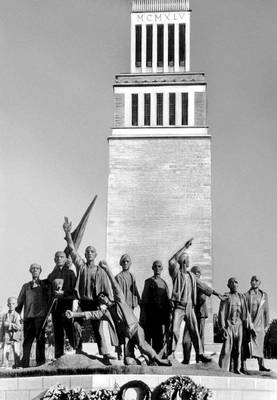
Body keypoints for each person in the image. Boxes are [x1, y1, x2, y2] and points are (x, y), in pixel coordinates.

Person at [65, 261, 171, 367]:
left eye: (103, 297)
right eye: (100, 299)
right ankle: (145, 361)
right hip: (127, 335)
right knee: (128, 361)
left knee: (143, 345)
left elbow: (115, 285)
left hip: (135, 328)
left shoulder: (120, 300)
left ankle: (159, 360)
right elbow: (90, 314)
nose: (102, 300)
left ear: (107, 297)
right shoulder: (105, 312)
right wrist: (74, 314)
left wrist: (107, 269)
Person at [63, 218, 115, 363]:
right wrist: (67, 233)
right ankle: (79, 350)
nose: (89, 253)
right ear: (85, 255)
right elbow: (72, 250)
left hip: (95, 303)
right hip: (82, 302)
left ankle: (105, 353)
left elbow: (107, 289)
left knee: (98, 329)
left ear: (96, 254)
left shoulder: (101, 271)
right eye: (87, 252)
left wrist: (107, 303)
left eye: (92, 251)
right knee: (76, 325)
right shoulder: (82, 266)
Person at [168, 241, 225, 363]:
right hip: (179, 306)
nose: (189, 262)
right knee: (174, 330)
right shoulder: (176, 274)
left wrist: (217, 294)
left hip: (189, 307)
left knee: (194, 331)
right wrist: (184, 247)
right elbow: (171, 261)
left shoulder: (191, 276)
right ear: (184, 261)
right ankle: (171, 353)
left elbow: (204, 286)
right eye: (188, 260)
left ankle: (200, 354)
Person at [218, 277, 254, 374]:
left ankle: (237, 369)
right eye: (232, 282)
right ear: (228, 285)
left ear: (238, 284)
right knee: (226, 349)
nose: (234, 284)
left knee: (238, 349)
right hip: (229, 324)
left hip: (239, 325)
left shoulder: (241, 297)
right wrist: (222, 328)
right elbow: (221, 313)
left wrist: (250, 327)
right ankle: (222, 370)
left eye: (236, 282)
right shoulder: (226, 297)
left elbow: (247, 314)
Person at [16, 264, 50, 367]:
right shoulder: (26, 286)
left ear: (40, 271)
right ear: (30, 271)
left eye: (37, 268)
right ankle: (25, 363)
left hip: (40, 317)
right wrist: (17, 317)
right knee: (27, 341)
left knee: (40, 340)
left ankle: (40, 363)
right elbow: (20, 302)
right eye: (33, 268)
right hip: (28, 317)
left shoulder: (45, 285)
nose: (35, 270)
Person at [47, 251, 76, 359]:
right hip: (55, 307)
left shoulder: (70, 273)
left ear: (65, 260)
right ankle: (58, 354)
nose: (59, 259)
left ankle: (74, 350)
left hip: (67, 305)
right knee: (57, 330)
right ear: (54, 260)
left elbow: (75, 291)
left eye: (61, 257)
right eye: (57, 257)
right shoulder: (51, 275)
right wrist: (53, 295)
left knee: (69, 327)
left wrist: (64, 293)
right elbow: (48, 292)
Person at [140, 260, 170, 354]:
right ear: (152, 268)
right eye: (155, 266)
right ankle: (148, 357)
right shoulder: (148, 281)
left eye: (159, 266)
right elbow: (144, 300)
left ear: (162, 268)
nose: (157, 268)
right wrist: (143, 316)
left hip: (160, 315)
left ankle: (158, 359)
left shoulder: (164, 283)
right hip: (150, 314)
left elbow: (167, 300)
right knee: (148, 337)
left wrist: (168, 317)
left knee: (159, 338)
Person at [242, 275, 270, 373]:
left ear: (259, 283)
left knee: (259, 345)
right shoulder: (246, 295)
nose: (254, 282)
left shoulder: (264, 295)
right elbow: (245, 311)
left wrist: (267, 325)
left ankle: (261, 365)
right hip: (250, 323)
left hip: (260, 324)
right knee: (246, 344)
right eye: (252, 280)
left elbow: (266, 311)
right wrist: (248, 323)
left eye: (256, 280)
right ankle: (243, 365)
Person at [115, 254, 140, 359]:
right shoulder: (118, 277)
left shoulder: (132, 276)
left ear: (130, 263)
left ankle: (130, 353)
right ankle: (121, 353)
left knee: (131, 330)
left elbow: (136, 291)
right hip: (122, 308)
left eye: (127, 261)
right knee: (122, 330)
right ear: (121, 263)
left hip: (130, 308)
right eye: (124, 261)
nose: (125, 263)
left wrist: (139, 301)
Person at [182, 265, 209, 363]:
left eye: (198, 272)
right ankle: (186, 360)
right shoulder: (188, 284)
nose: (197, 274)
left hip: (200, 313)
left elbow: (202, 298)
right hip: (191, 314)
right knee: (186, 339)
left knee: (200, 337)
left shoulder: (201, 285)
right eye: (195, 272)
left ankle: (199, 360)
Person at [0, 297, 21, 368]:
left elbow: (19, 327)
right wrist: (1, 338)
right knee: (5, 352)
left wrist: (9, 325)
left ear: (16, 305)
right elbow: (2, 328)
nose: (11, 305)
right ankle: (4, 365)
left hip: (15, 337)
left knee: (16, 352)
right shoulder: (5, 316)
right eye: (9, 304)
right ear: (7, 305)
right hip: (7, 337)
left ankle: (17, 365)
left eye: (13, 304)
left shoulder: (17, 315)